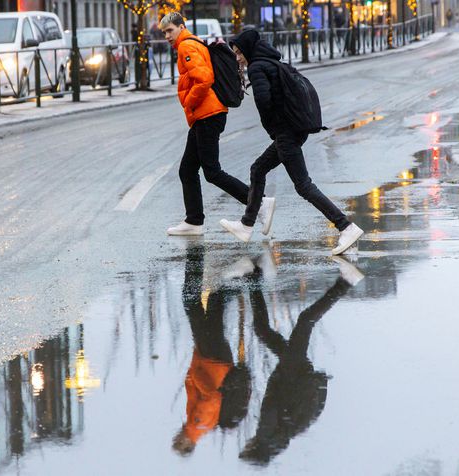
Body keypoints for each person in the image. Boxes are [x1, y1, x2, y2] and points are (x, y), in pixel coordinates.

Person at [219, 29, 364, 255]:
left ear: (247, 50)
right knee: (258, 169)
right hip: (294, 129)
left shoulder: (257, 67)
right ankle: (247, 224)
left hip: (285, 132)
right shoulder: (272, 62)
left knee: (304, 186)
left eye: (239, 53)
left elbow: (264, 101)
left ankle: (346, 227)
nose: (237, 58)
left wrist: (273, 127)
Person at [159, 12, 276, 236]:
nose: (166, 36)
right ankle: (194, 221)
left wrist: (189, 103)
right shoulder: (193, 43)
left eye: (170, 30)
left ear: (181, 27)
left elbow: (204, 79)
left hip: (207, 114)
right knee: (188, 169)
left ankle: (259, 203)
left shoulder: (186, 47)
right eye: (164, 32)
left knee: (212, 171)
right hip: (207, 114)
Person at [240, 260, 363, 463]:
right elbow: (270, 407)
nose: (246, 443)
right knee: (305, 320)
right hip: (292, 373)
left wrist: (316, 381)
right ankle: (346, 281)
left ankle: (254, 276)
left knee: (263, 330)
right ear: (254, 449)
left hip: (299, 375)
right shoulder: (266, 434)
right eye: (247, 448)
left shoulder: (287, 434)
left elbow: (314, 406)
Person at [172, 243, 252, 455]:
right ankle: (239, 272)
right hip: (213, 361)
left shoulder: (195, 424)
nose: (176, 437)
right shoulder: (199, 424)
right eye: (178, 442)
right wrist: (196, 376)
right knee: (192, 303)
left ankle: (240, 273)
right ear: (187, 443)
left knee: (213, 305)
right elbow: (212, 397)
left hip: (211, 359)